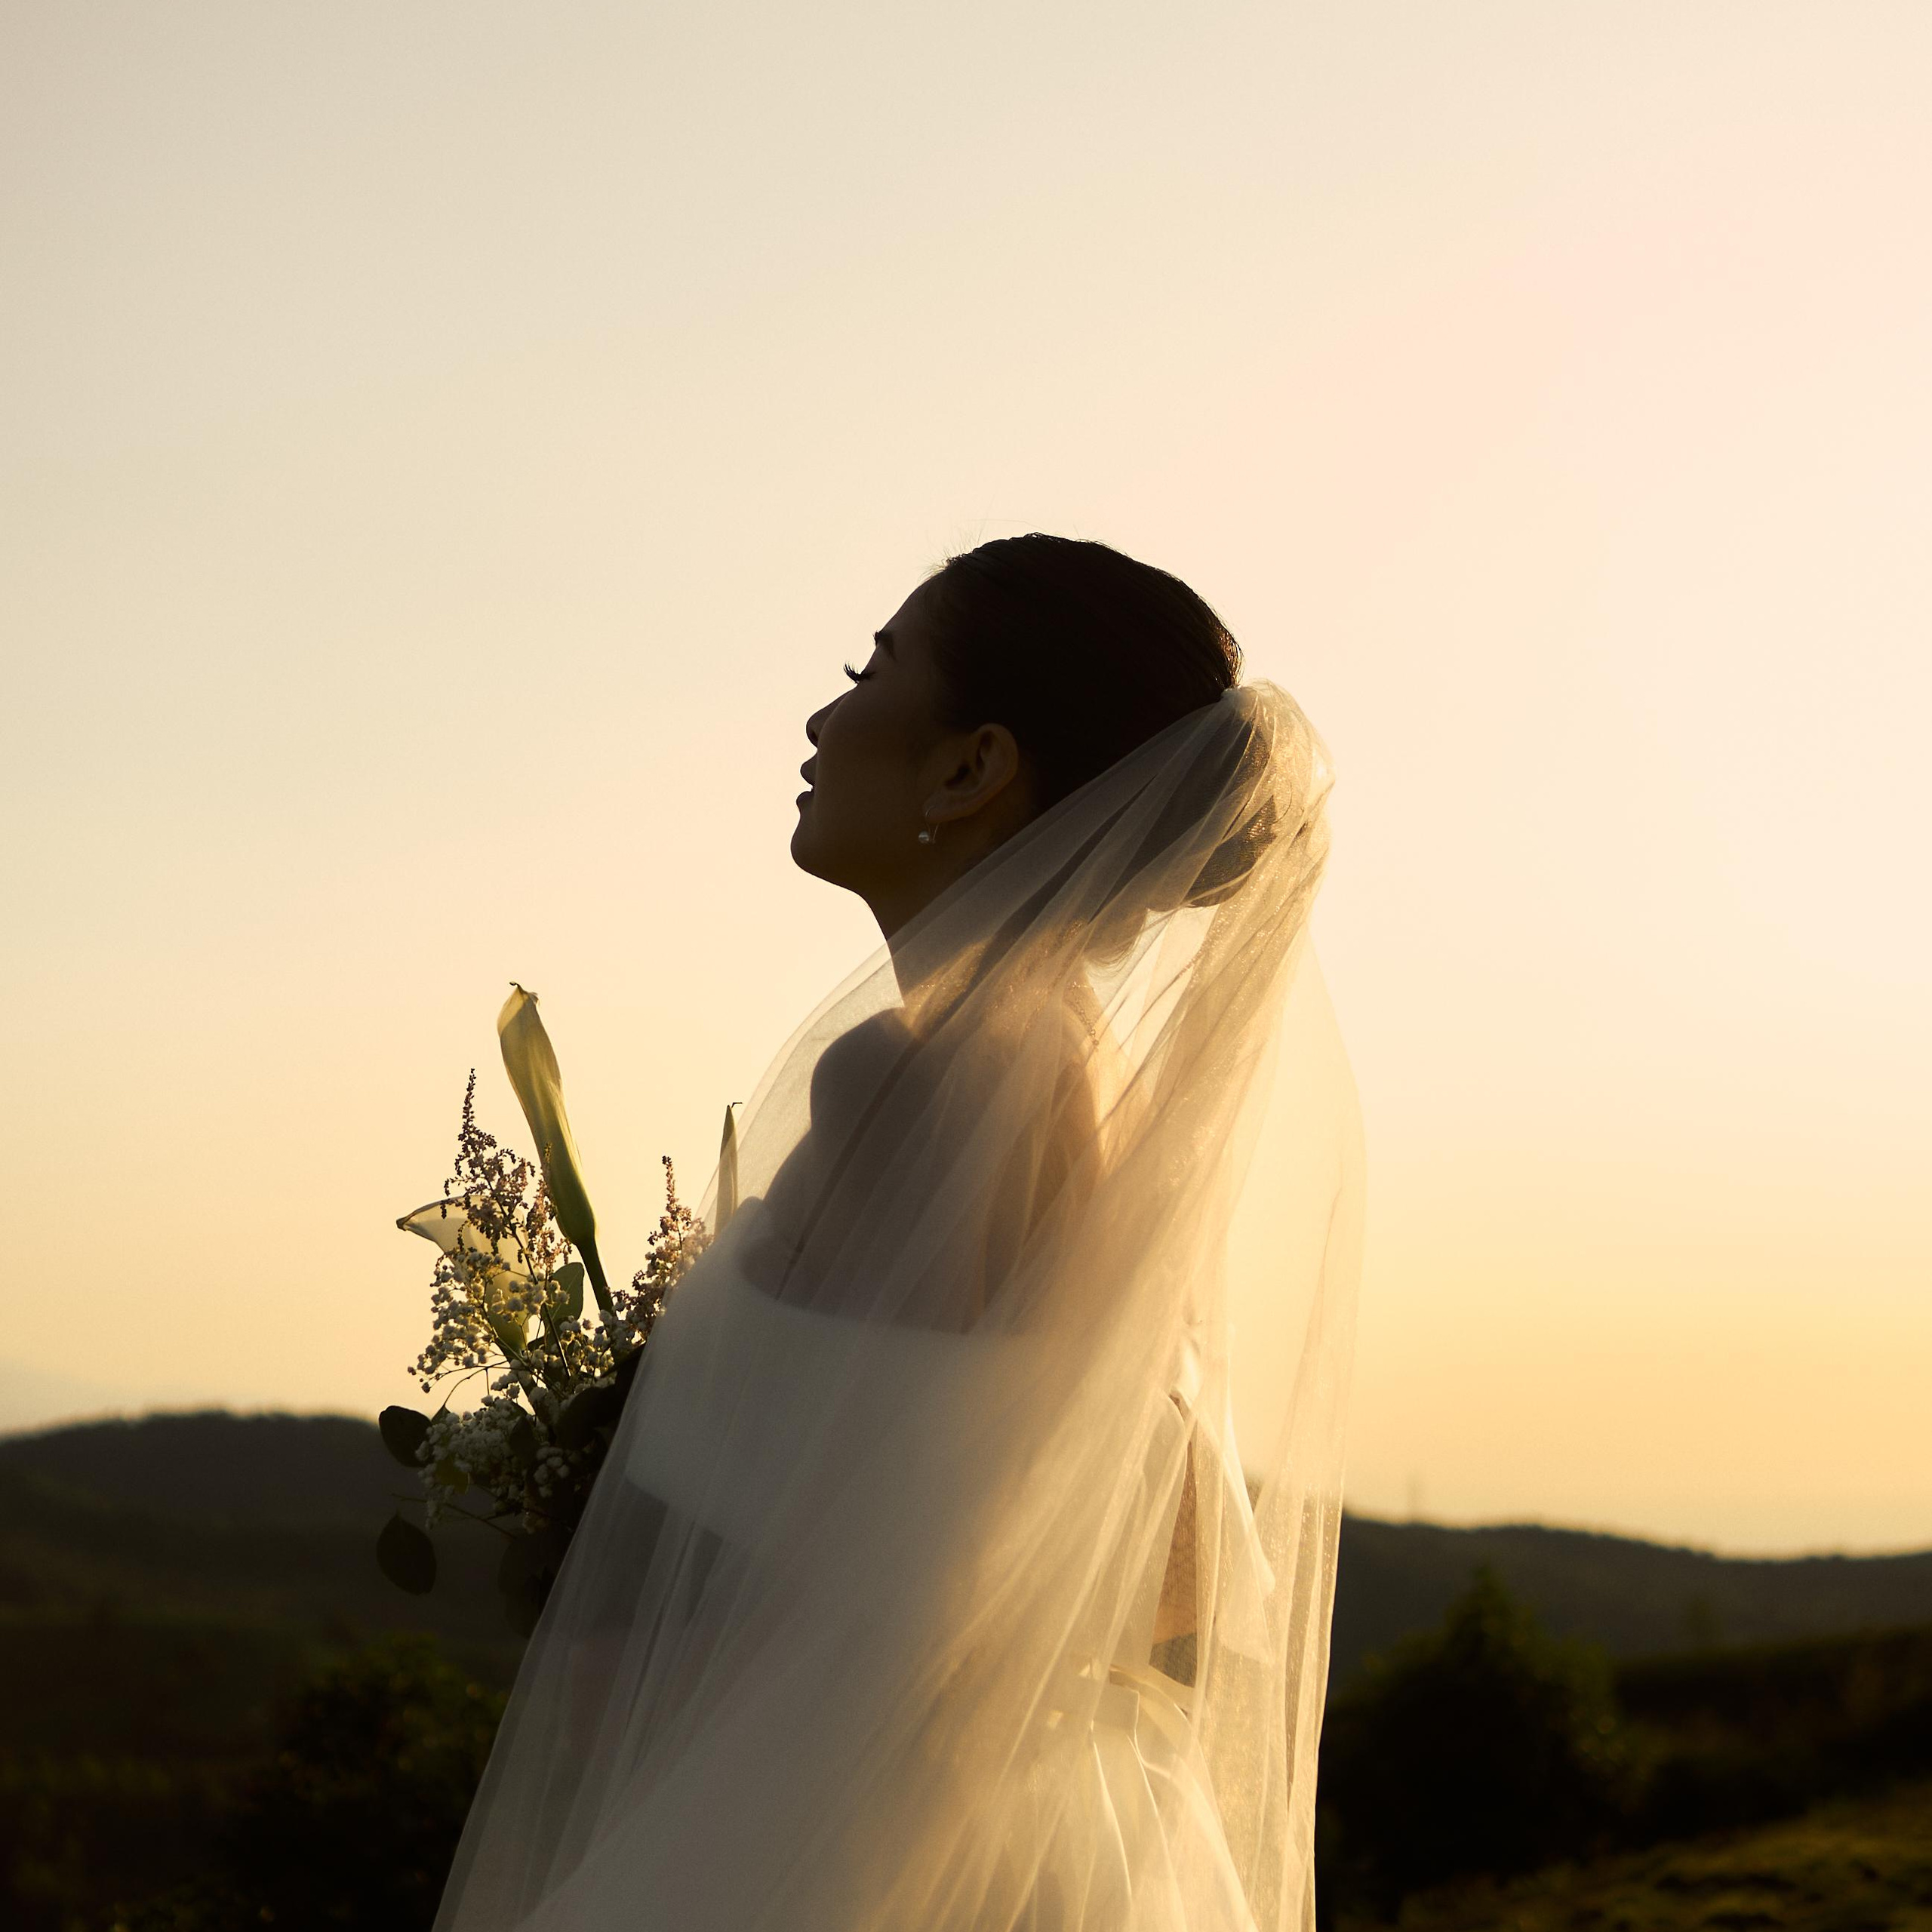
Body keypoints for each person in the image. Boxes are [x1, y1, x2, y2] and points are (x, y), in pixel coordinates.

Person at [432, 534, 1364, 1932]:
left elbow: (847, 1583)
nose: (823, 719)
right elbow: (1174, 1571)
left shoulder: (924, 1078)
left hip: (842, 1833)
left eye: (871, 671)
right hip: (1031, 1826)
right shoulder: (1087, 1080)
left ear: (971, 768)